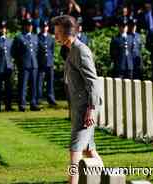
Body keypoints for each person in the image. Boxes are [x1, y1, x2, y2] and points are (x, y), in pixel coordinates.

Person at [51, 15, 102, 184]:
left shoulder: (81, 50)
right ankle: (110, 179)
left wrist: (91, 109)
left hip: (86, 108)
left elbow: (93, 82)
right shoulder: (71, 50)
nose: (55, 35)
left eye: (57, 32)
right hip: (80, 107)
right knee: (89, 149)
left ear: (67, 32)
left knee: (75, 151)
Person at [12, 18, 40, 112]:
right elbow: (14, 52)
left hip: (34, 64)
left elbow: (37, 51)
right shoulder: (19, 37)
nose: (30, 27)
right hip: (24, 65)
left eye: (31, 25)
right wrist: (20, 62)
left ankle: (33, 103)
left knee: (33, 85)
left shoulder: (35, 37)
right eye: (28, 25)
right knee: (23, 85)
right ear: (25, 26)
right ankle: (22, 104)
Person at [37, 20, 57, 106]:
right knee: (39, 81)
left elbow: (52, 50)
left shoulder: (51, 38)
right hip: (40, 62)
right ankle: (38, 98)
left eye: (46, 27)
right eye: (43, 27)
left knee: (50, 81)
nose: (44, 28)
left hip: (49, 62)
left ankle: (51, 98)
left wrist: (50, 60)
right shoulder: (37, 37)